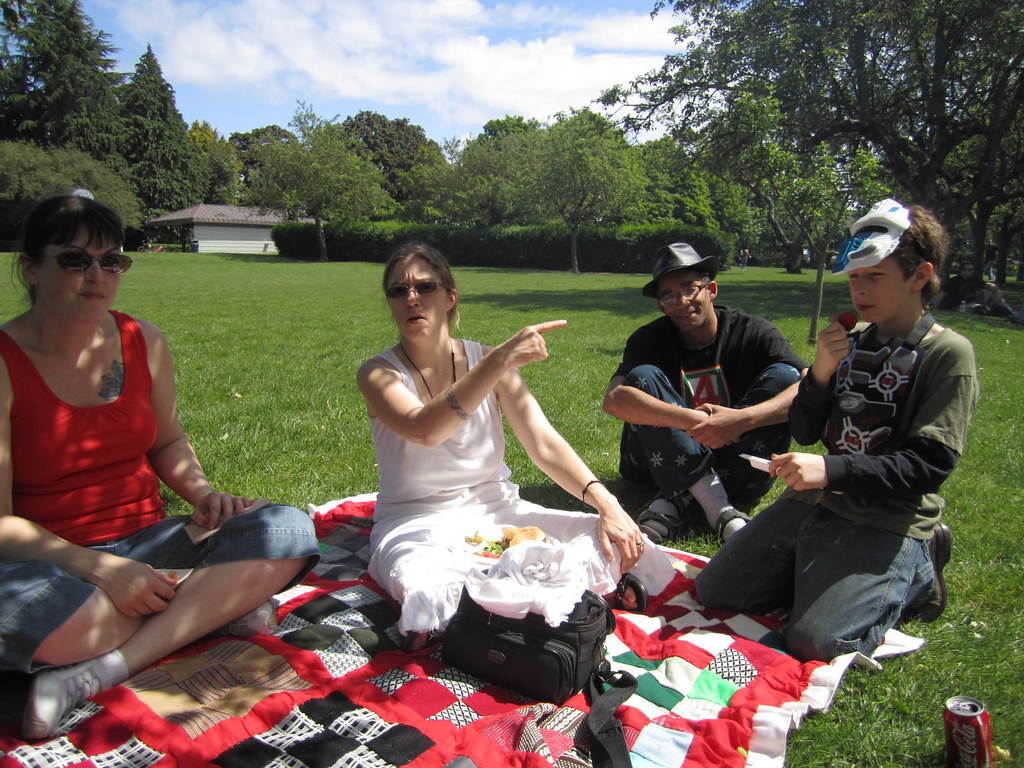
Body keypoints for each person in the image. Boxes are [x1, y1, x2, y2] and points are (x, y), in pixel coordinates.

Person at [0, 194, 320, 740]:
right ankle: (210, 607)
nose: (97, 274)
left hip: (152, 543)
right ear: (31, 267)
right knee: (36, 618)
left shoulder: (142, 342)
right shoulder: (5, 362)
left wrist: (201, 492)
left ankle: (101, 671)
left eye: (111, 261)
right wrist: (100, 569)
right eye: (76, 260)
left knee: (288, 528)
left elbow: (167, 441)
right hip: (55, 566)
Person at [695, 198, 978, 662]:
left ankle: (921, 568)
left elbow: (929, 466)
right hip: (815, 502)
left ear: (920, 276)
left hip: (888, 515)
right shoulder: (852, 341)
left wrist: (829, 470)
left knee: (817, 643)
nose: (860, 291)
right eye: (854, 278)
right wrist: (821, 374)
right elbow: (806, 432)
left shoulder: (948, 353)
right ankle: (824, 571)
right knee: (717, 591)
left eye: (875, 277)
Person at [357, 242, 676, 651]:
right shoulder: (379, 373)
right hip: (414, 523)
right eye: (398, 290)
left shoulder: (490, 361)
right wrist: (498, 362)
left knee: (628, 540)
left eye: (425, 286)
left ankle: (526, 599)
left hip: (499, 512)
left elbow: (543, 444)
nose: (411, 298)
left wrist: (608, 505)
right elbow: (424, 430)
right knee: (429, 590)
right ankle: (560, 594)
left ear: (450, 296)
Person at [602, 243, 806, 543]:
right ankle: (719, 509)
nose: (681, 301)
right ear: (661, 305)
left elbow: (806, 382)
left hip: (740, 466)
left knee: (784, 376)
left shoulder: (753, 331)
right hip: (654, 465)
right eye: (669, 294)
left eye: (690, 288)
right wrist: (694, 421)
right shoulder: (650, 339)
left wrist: (741, 420)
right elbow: (614, 399)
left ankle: (674, 498)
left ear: (711, 289)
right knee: (641, 378)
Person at [934, 260, 1011, 316]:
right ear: (962, 271)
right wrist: (934, 308)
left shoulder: (974, 278)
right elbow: (942, 294)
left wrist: (993, 287)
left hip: (975, 301)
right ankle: (1002, 311)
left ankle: (1005, 309)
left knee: (994, 290)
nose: (972, 271)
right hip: (962, 305)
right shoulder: (953, 281)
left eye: (973, 269)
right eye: (969, 270)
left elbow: (988, 286)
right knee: (979, 309)